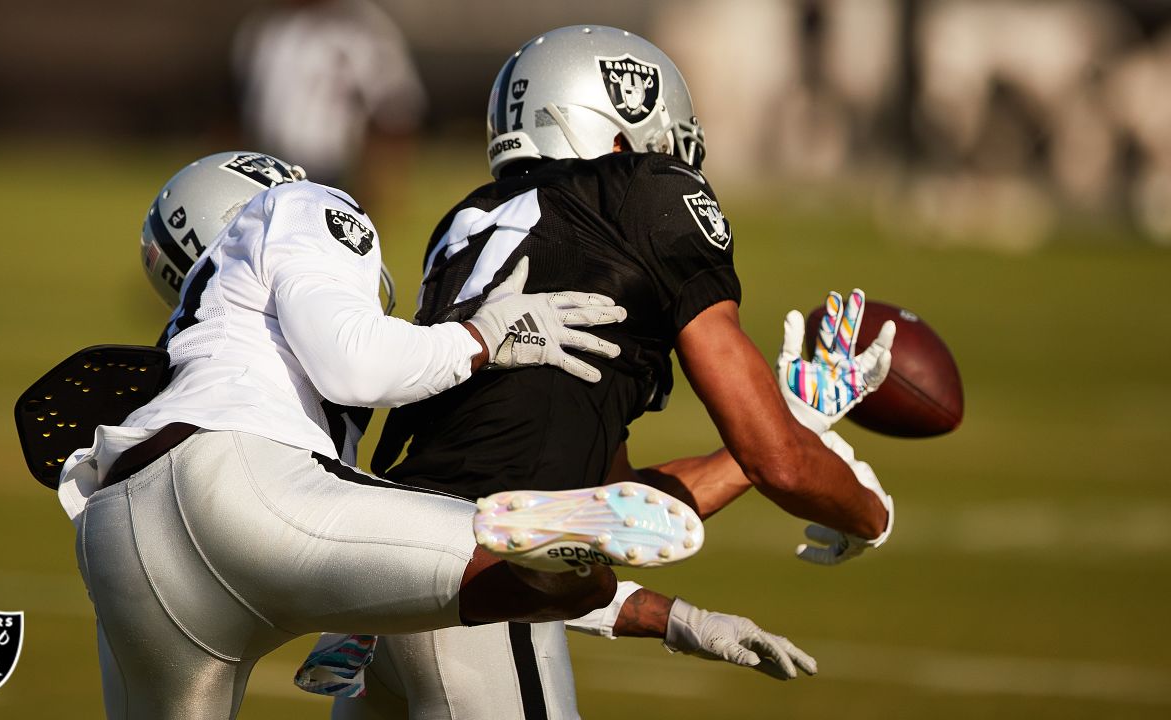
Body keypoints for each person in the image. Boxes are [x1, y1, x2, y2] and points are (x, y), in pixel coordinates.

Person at [310, 25, 897, 720]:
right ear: (618, 133)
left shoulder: (474, 221)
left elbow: (611, 504)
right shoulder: (646, 192)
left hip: (392, 575)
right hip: (493, 577)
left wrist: (787, 429)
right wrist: (867, 512)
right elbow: (782, 465)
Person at [58, 150, 707, 719]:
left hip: (121, 526)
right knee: (532, 568)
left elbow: (366, 528)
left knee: (548, 572)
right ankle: (523, 518)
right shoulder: (295, 205)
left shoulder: (201, 338)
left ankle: (524, 535)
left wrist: (671, 618)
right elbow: (357, 365)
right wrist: (487, 336)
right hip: (239, 486)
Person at [233, 0, 425, 205]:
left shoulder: (361, 26)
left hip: (331, 172)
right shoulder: (266, 25)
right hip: (265, 162)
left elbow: (393, 107)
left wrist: (379, 180)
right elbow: (241, 97)